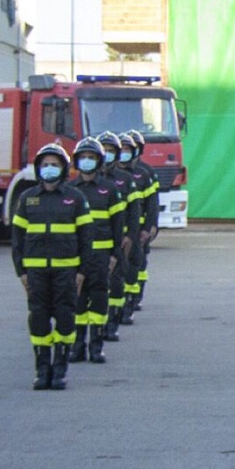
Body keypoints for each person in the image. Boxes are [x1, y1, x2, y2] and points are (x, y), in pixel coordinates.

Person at [10, 142, 91, 390]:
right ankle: (42, 369)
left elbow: (87, 239)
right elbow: (17, 239)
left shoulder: (75, 198)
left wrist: (81, 273)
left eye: (54, 165)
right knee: (39, 320)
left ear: (64, 168)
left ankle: (60, 369)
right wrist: (21, 272)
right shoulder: (27, 199)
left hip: (66, 273)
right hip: (36, 274)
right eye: (45, 165)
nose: (49, 169)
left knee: (66, 319)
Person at [68, 136, 122, 365]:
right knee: (78, 301)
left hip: (102, 256)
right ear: (76, 161)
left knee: (99, 299)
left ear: (99, 161)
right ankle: (77, 346)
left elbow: (118, 226)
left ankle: (96, 346)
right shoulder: (69, 190)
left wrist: (115, 256)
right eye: (83, 158)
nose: (87, 161)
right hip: (78, 257)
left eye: (91, 158)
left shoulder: (109, 189)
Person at [95, 131, 138, 339]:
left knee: (116, 282)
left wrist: (130, 235)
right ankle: (95, 327)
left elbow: (134, 210)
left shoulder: (125, 179)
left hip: (118, 240)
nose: (108, 155)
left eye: (112, 151)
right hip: (93, 242)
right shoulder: (86, 182)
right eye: (104, 151)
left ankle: (112, 324)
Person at [110, 132, 147, 327]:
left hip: (130, 234)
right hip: (105, 239)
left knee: (132, 268)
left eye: (127, 150)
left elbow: (146, 206)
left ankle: (128, 306)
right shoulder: (99, 181)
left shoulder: (138, 175)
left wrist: (146, 229)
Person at [123, 129, 161, 314]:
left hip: (140, 227)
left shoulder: (145, 172)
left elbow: (152, 204)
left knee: (139, 263)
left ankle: (135, 297)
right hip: (122, 229)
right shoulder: (113, 175)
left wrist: (150, 227)